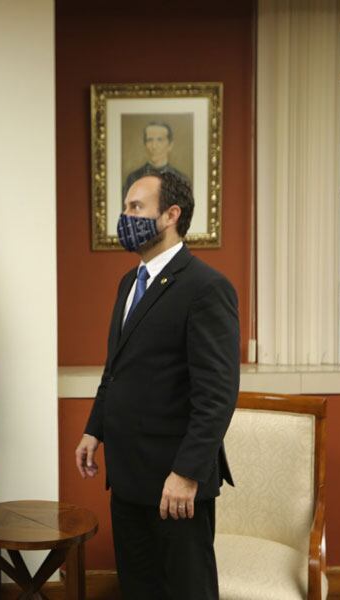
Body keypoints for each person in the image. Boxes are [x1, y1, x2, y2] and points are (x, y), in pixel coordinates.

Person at [75, 172, 239, 599]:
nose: (125, 217)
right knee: (139, 588)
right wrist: (94, 429)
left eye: (136, 207)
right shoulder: (129, 283)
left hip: (175, 483)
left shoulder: (207, 287)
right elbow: (116, 369)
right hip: (128, 477)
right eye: (125, 207)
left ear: (171, 215)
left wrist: (186, 473)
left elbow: (217, 395)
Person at [123, 121, 191, 199]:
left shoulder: (181, 180)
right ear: (145, 145)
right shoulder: (133, 179)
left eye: (160, 140)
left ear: (170, 145)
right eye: (150, 140)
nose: (154, 146)